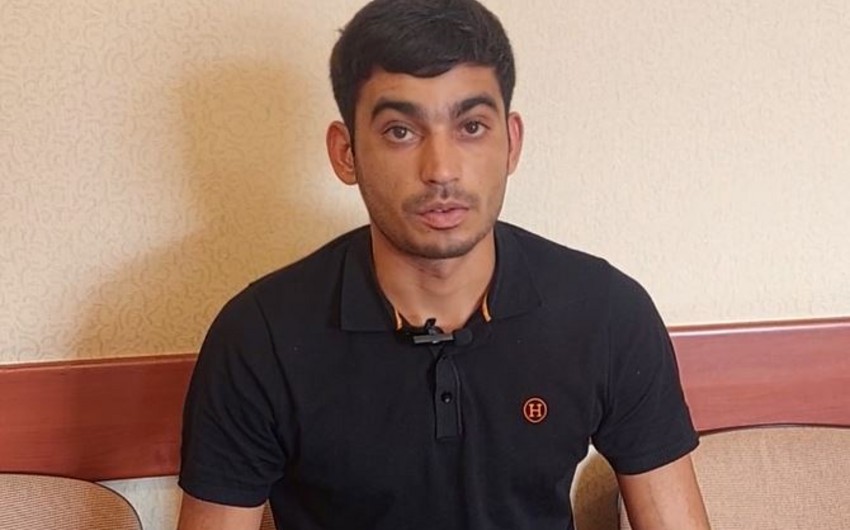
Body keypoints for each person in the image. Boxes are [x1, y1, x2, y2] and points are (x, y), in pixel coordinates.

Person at [177, 0, 711, 528]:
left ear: (511, 143)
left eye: (471, 126)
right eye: (400, 131)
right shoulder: (260, 336)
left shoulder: (606, 312)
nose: (441, 170)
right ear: (346, 153)